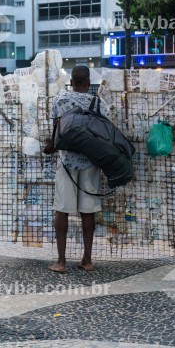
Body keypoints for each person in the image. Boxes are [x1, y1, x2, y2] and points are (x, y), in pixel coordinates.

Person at [44, 66, 108, 273]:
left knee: (62, 209)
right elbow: (105, 132)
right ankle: (87, 260)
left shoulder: (59, 101)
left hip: (66, 162)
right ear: (88, 83)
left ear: (71, 82)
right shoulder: (98, 103)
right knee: (87, 212)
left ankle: (61, 262)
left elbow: (55, 132)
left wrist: (50, 146)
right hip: (91, 163)